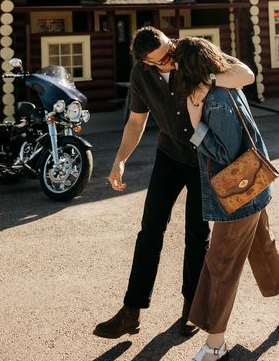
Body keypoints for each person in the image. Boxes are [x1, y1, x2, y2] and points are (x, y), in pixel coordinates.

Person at [93, 27, 255, 340]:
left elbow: (244, 74)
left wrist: (208, 80)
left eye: (170, 49)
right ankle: (131, 311)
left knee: (196, 235)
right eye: (162, 58)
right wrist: (120, 160)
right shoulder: (142, 74)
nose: (171, 57)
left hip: (202, 159)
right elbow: (136, 121)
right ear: (148, 63)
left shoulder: (193, 52)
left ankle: (191, 309)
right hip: (168, 155)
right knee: (150, 229)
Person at [172, 37, 279, 361]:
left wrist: (194, 123)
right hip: (253, 191)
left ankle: (216, 344)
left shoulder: (216, 99)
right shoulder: (222, 84)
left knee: (220, 265)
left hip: (240, 194)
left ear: (190, 69)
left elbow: (226, 152)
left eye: (178, 66)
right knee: (263, 249)